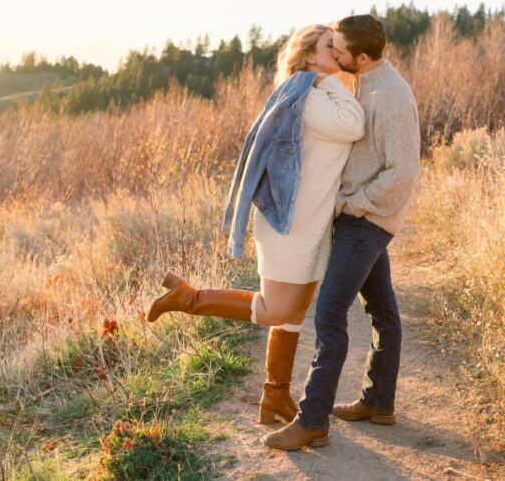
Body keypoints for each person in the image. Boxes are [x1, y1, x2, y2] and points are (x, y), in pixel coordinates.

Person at [147, 24, 364, 426]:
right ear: (308, 56)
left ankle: (275, 398)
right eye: (329, 47)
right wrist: (333, 80)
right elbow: (354, 125)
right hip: (289, 223)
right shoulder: (308, 97)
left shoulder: (319, 91)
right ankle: (188, 297)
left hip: (312, 223)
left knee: (293, 313)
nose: (337, 53)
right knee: (274, 308)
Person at [262, 14, 421, 451]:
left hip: (365, 221)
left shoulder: (389, 97)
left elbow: (404, 172)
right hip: (362, 217)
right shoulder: (365, 83)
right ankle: (378, 402)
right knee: (383, 311)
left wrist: (357, 202)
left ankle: (312, 420)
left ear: (362, 57)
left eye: (339, 49)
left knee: (329, 316)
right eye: (330, 45)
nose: (333, 52)